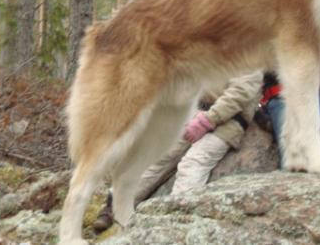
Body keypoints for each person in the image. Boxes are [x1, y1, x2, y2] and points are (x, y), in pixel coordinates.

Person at [92, 71, 263, 233]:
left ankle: (177, 220)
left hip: (228, 122)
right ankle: (113, 205)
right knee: (157, 155)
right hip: (196, 112)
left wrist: (208, 119)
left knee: (193, 163)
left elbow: (241, 93)